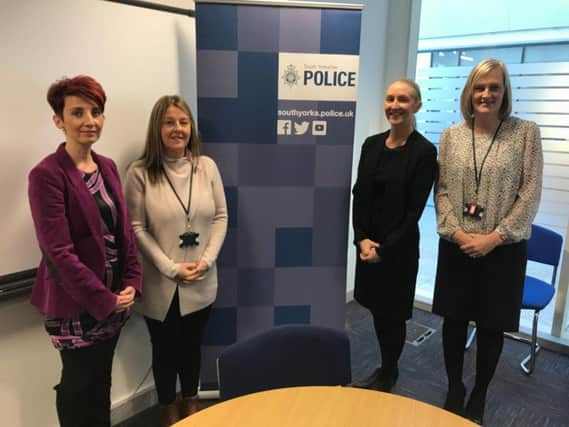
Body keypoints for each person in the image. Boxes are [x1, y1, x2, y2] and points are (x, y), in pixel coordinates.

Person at [433, 58, 543, 424]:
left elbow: (530, 193)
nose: (486, 94)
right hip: (458, 246)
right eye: (480, 87)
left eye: (494, 87)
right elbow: (443, 191)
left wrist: (494, 238)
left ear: (504, 92)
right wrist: (460, 233)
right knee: (454, 322)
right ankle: (454, 387)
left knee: (491, 326)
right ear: (469, 92)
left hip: (503, 251)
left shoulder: (525, 134)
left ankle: (479, 392)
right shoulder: (451, 135)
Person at [28, 75, 142, 427]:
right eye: (77, 113)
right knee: (78, 390)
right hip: (77, 310)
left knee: (100, 385)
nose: (89, 120)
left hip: (114, 304)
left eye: (96, 112)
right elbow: (57, 252)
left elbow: (123, 232)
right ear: (59, 121)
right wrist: (104, 299)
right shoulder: (46, 175)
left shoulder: (106, 166)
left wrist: (132, 282)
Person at [124, 95, 227, 426]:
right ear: (158, 127)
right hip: (160, 283)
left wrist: (207, 260)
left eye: (183, 122)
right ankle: (168, 406)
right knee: (164, 351)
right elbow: (135, 227)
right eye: (169, 122)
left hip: (201, 277)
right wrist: (170, 268)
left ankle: (190, 402)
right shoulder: (139, 173)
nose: (177, 128)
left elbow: (221, 216)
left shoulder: (206, 166)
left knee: (192, 348)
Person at [351, 79, 437, 392]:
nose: (395, 105)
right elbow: (359, 195)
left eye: (403, 99)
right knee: (377, 309)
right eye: (390, 98)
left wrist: (383, 250)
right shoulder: (371, 145)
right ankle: (385, 366)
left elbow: (414, 211)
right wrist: (360, 238)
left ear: (417, 105)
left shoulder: (424, 152)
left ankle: (390, 371)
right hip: (367, 246)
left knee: (394, 315)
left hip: (397, 251)